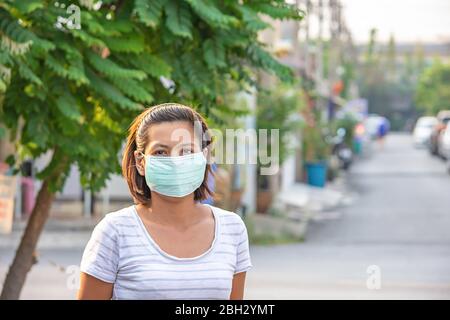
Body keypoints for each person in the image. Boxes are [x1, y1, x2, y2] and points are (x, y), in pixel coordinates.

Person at [77, 103, 252, 300]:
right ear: (141, 162)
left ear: (203, 157)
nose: (176, 162)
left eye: (186, 151)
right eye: (161, 152)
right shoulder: (115, 231)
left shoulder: (232, 228)